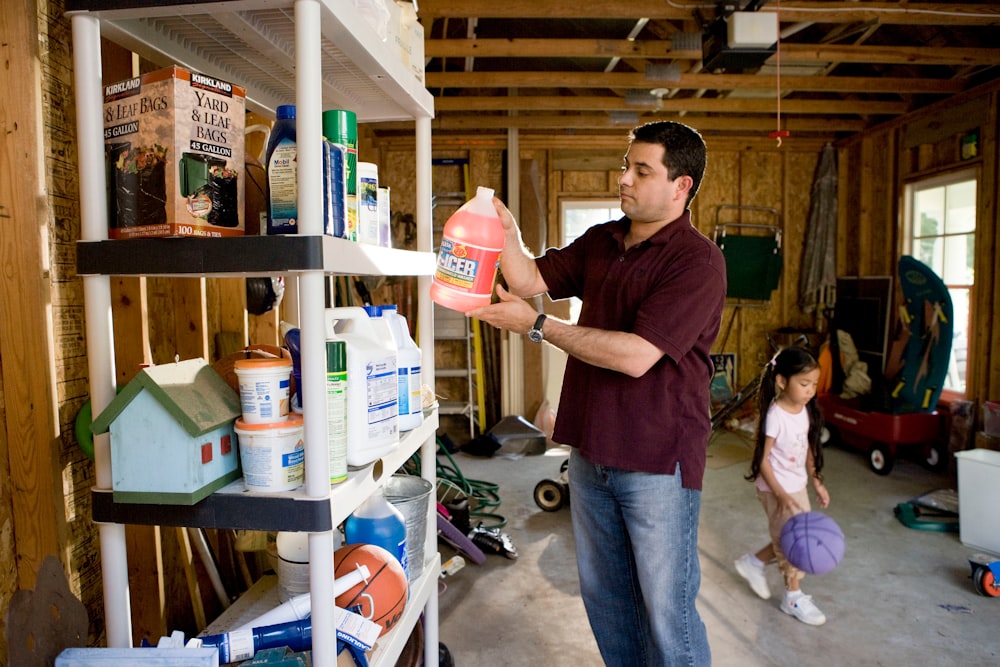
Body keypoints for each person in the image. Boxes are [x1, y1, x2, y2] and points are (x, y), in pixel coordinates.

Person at [468, 121, 726, 666]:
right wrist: (504, 228)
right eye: (625, 165)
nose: (623, 178)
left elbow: (637, 356)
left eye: (641, 170)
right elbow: (529, 279)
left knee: (666, 611)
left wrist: (538, 327)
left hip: (658, 461)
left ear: (681, 186)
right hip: (591, 453)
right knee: (609, 602)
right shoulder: (604, 241)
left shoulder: (696, 261)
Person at [734, 346, 830, 626]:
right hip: (774, 488)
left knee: (792, 537)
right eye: (804, 384)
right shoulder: (775, 416)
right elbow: (762, 461)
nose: (810, 390)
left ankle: (753, 563)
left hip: (796, 485)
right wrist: (781, 495)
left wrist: (816, 480)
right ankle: (793, 597)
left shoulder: (803, 409)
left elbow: (809, 448)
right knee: (795, 541)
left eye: (814, 384)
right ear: (781, 381)